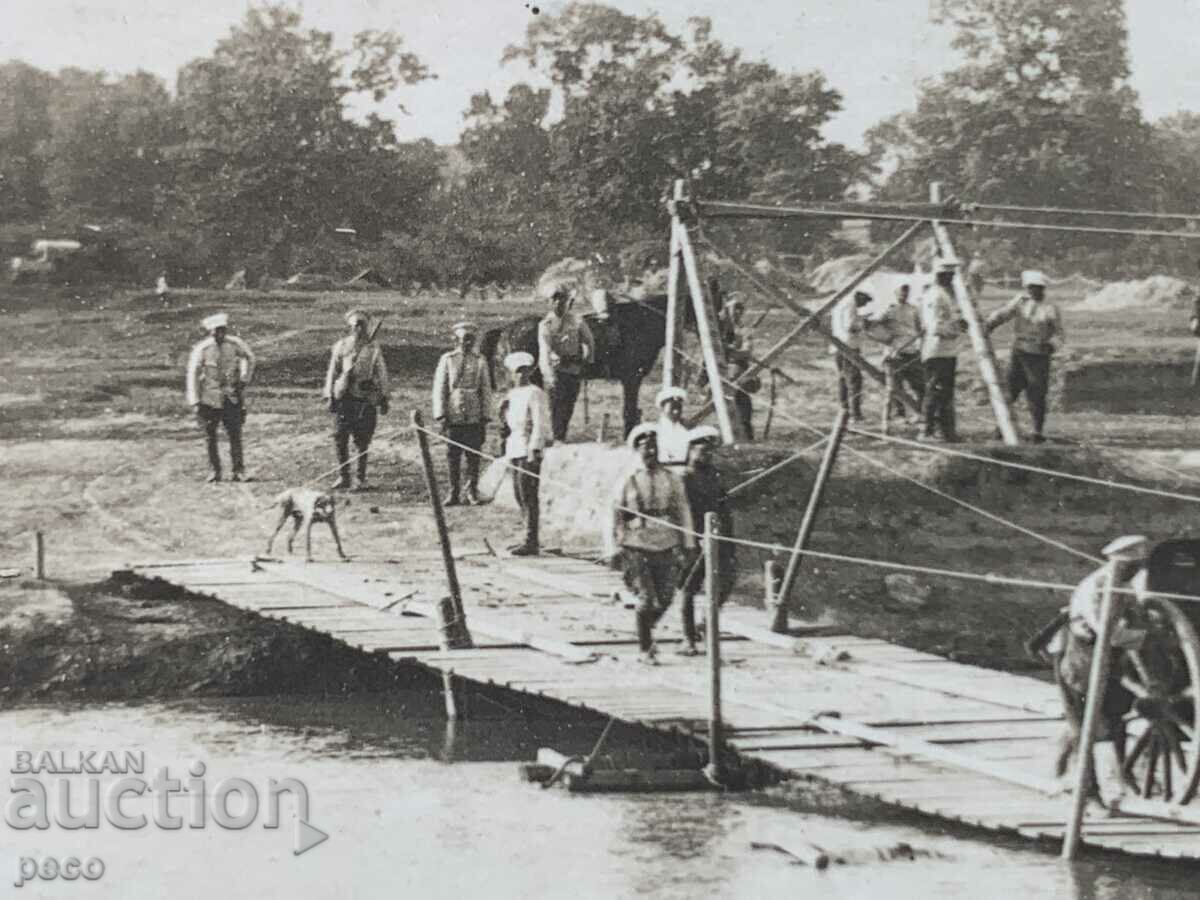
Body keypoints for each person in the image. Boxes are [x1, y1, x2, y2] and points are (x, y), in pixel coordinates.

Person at [613, 424, 694, 665]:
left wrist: (688, 543)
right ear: (637, 450)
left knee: (666, 597)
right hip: (636, 544)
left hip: (666, 543)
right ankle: (645, 648)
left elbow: (683, 511)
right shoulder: (627, 479)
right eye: (645, 448)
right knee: (647, 599)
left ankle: (644, 628)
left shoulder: (671, 478)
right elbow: (615, 514)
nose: (650, 453)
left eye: (654, 448)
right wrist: (615, 547)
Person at [675, 425, 735, 656]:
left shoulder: (714, 476)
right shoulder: (683, 478)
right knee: (688, 588)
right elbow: (682, 513)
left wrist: (729, 541)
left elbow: (724, 509)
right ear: (690, 450)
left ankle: (706, 623)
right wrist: (691, 540)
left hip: (717, 538)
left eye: (710, 450)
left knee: (726, 583)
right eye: (702, 449)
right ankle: (688, 638)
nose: (707, 454)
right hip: (694, 540)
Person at [985, 270, 1064, 444]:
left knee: (1036, 392)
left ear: (1043, 289)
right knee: (1010, 390)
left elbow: (1059, 334)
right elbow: (1003, 314)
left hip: (1039, 355)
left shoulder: (1050, 308)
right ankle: (1001, 427)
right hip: (1019, 351)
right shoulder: (1021, 302)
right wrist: (989, 324)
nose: (1034, 291)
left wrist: (1051, 345)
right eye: (1031, 288)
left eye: (1038, 288)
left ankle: (1037, 430)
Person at [323, 309, 389, 490]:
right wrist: (330, 395)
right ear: (350, 328)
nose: (359, 329)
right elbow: (332, 372)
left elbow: (381, 373)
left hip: (365, 398)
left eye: (362, 325)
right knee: (340, 437)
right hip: (345, 397)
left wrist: (382, 395)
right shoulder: (341, 346)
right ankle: (343, 476)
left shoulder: (373, 348)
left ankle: (361, 478)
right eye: (355, 326)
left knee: (363, 438)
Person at [186, 312, 255, 483]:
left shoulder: (234, 344)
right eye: (216, 331)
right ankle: (214, 471)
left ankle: (238, 471)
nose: (219, 335)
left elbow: (250, 358)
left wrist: (244, 378)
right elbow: (193, 374)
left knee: (235, 434)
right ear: (210, 332)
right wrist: (195, 400)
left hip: (230, 396)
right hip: (209, 399)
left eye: (222, 331)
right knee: (210, 436)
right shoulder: (202, 349)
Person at [432, 321, 492, 505]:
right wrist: (441, 415)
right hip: (454, 412)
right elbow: (440, 388)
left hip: (474, 412)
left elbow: (486, 389)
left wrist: (485, 415)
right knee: (453, 454)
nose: (468, 343)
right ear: (456, 340)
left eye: (471, 339)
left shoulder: (480, 360)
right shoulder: (448, 359)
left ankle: (472, 491)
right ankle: (453, 492)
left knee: (474, 454)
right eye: (464, 339)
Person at [502, 351, 553, 556]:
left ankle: (531, 540)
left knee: (528, 493)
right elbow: (508, 425)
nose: (521, 375)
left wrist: (535, 448)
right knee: (518, 493)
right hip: (514, 447)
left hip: (528, 448)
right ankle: (526, 536)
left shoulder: (535, 392)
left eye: (525, 371)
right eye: (517, 372)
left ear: (531, 371)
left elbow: (541, 423)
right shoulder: (512, 394)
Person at [538, 286, 595, 441]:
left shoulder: (576, 320)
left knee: (569, 404)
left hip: (574, 369)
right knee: (556, 406)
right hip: (555, 371)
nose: (559, 303)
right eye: (555, 300)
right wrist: (549, 375)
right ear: (550, 303)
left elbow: (589, 340)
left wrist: (587, 362)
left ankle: (562, 435)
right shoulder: (546, 324)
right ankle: (557, 437)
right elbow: (546, 350)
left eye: (562, 300)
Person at [919, 260, 967, 442]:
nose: (952, 279)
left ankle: (946, 431)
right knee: (935, 391)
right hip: (936, 351)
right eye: (949, 276)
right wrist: (956, 329)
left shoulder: (945, 295)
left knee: (945, 393)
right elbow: (936, 327)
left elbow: (950, 318)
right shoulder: (935, 296)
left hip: (947, 351)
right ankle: (927, 431)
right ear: (941, 276)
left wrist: (959, 323)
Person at [868, 282, 925, 422]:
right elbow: (873, 326)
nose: (903, 295)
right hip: (895, 352)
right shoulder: (888, 310)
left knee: (918, 384)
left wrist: (920, 344)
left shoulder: (914, 309)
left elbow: (920, 329)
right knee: (895, 387)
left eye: (905, 293)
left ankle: (920, 413)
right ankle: (899, 414)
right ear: (895, 294)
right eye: (900, 292)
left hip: (912, 351)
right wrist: (885, 340)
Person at [719, 294, 757, 440]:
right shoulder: (719, 329)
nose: (738, 312)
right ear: (727, 308)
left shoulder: (745, 331)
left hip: (738, 373)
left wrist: (730, 351)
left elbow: (746, 352)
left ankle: (746, 436)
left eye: (741, 309)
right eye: (735, 308)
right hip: (720, 371)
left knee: (743, 408)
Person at [830, 290, 872, 421]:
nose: (863, 305)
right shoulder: (850, 305)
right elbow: (850, 326)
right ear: (859, 297)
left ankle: (844, 410)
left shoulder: (840, 305)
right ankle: (855, 414)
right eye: (864, 302)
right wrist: (864, 324)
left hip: (838, 346)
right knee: (855, 380)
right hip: (848, 346)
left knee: (843, 380)